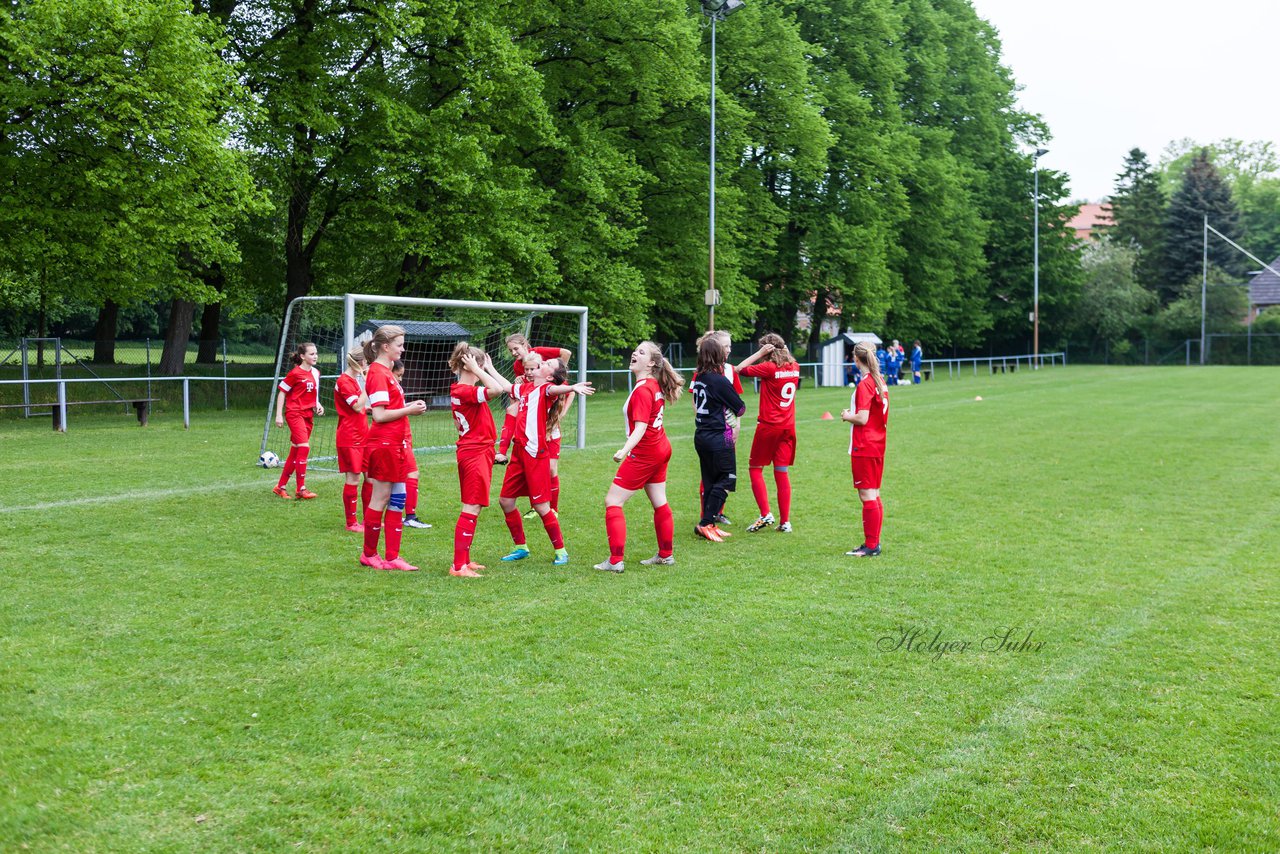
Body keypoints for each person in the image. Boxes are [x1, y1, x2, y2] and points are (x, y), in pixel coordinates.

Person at [594, 341, 684, 573]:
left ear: (652, 363)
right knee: (659, 500)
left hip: (646, 452)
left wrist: (624, 451)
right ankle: (665, 555)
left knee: (613, 501)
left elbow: (641, 427)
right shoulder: (652, 385)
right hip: (660, 448)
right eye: (635, 350)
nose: (634, 353)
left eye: (641, 352)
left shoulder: (645, 389)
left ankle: (615, 561)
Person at [498, 354, 593, 565]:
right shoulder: (526, 388)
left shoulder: (545, 390)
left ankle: (561, 551)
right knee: (505, 501)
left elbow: (555, 389)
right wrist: (485, 368)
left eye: (548, 364)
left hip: (535, 455)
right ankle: (520, 547)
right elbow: (506, 387)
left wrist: (571, 388)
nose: (544, 362)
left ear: (549, 376)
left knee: (541, 507)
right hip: (518, 454)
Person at [358, 325, 427, 571]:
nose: (403, 348)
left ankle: (392, 556)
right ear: (385, 347)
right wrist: (409, 409)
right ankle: (369, 554)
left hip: (396, 444)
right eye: (399, 344)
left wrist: (408, 406)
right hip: (384, 444)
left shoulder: (386, 372)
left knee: (399, 498)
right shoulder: (377, 373)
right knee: (381, 497)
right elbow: (378, 415)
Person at [447, 342, 508, 578]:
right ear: (471, 365)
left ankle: (465, 560)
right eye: (480, 365)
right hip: (474, 453)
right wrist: (480, 369)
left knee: (475, 505)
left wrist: (489, 368)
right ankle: (458, 566)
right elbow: (496, 391)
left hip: (477, 451)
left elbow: (506, 387)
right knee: (470, 507)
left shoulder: (463, 391)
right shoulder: (464, 390)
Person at [500, 334, 572, 518]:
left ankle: (551, 508)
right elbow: (522, 396)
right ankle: (538, 504)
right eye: (510, 350)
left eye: (516, 348)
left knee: (550, 468)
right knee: (511, 409)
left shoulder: (541, 358)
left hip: (550, 421)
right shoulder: (520, 368)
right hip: (535, 426)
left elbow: (566, 354)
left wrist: (558, 373)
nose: (513, 353)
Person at [737, 333, 800, 533]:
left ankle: (766, 514)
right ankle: (785, 522)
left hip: (768, 426)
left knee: (755, 468)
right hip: (788, 428)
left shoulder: (769, 368)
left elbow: (739, 369)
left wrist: (759, 353)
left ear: (768, 351)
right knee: (781, 472)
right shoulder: (794, 366)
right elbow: (788, 357)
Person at [690, 335, 745, 542]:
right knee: (726, 479)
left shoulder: (700, 378)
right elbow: (740, 408)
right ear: (716, 355)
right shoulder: (719, 380)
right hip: (719, 436)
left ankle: (709, 522)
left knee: (710, 480)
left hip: (702, 435)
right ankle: (705, 524)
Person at [841, 341, 889, 557]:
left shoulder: (865, 384)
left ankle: (871, 546)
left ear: (856, 358)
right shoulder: (880, 381)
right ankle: (873, 543)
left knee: (867, 494)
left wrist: (846, 415)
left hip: (865, 445)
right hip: (877, 443)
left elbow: (862, 417)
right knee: (874, 494)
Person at [272, 342, 323, 500]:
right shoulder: (295, 373)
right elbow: (282, 393)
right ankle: (301, 488)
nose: (315, 356)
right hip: (294, 413)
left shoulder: (316, 373)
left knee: (295, 451)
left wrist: (317, 404)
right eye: (311, 354)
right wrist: (279, 415)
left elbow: (313, 394)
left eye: (316, 353)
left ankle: (280, 487)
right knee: (304, 448)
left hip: (308, 414)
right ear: (302, 356)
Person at [391, 360, 431, 530]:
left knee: (401, 477)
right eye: (399, 375)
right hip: (397, 437)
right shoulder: (385, 382)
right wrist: (409, 409)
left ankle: (401, 515)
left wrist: (410, 406)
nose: (400, 379)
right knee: (411, 474)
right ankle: (409, 516)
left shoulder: (393, 384)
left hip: (403, 435)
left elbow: (395, 407)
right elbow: (380, 411)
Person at [334, 350, 370, 531]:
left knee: (370, 477)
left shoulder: (354, 381)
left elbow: (361, 406)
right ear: (360, 362)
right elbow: (356, 406)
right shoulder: (344, 381)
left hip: (364, 435)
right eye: (366, 360)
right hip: (350, 437)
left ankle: (368, 520)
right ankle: (351, 523)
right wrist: (369, 385)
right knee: (354, 477)